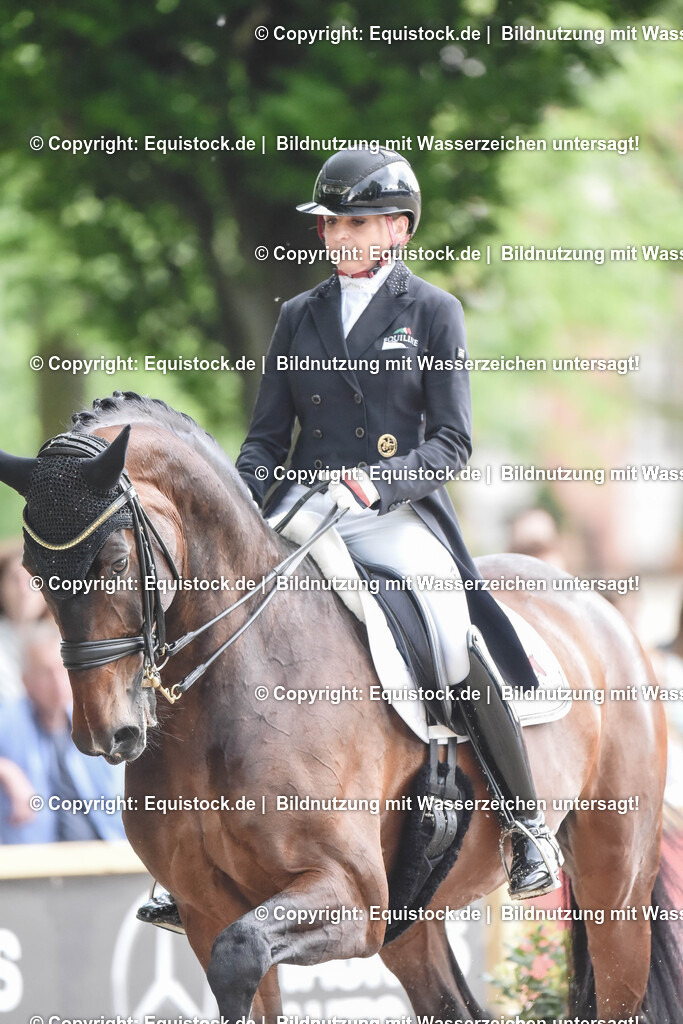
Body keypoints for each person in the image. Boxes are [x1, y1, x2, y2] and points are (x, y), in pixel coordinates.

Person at [140, 147, 561, 932]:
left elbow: (451, 444)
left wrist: (375, 483)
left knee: (447, 635)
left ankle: (525, 824)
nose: (338, 234)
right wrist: (251, 494)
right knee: (226, 620)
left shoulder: (433, 311)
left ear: (396, 229)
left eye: (355, 221)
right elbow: (265, 438)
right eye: (331, 222)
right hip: (301, 507)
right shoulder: (297, 316)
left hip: (395, 513)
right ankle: (192, 851)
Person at [0, 620, 126, 843]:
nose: (58, 682)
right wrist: (8, 771)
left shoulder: (99, 719)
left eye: (63, 671)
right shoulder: (9, 718)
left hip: (107, 853)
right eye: (46, 673)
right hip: (31, 864)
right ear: (25, 681)